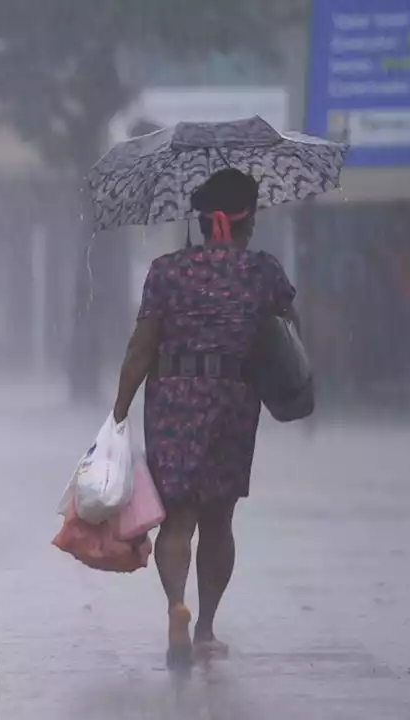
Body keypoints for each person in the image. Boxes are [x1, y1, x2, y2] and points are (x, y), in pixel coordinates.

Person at [110, 168, 298, 669]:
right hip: (234, 398)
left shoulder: (166, 271)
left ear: (198, 218)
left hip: (172, 398)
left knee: (177, 520)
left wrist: (119, 409)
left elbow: (141, 346)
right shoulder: (263, 271)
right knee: (219, 520)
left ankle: (176, 606)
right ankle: (207, 629)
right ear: (248, 220)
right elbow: (288, 336)